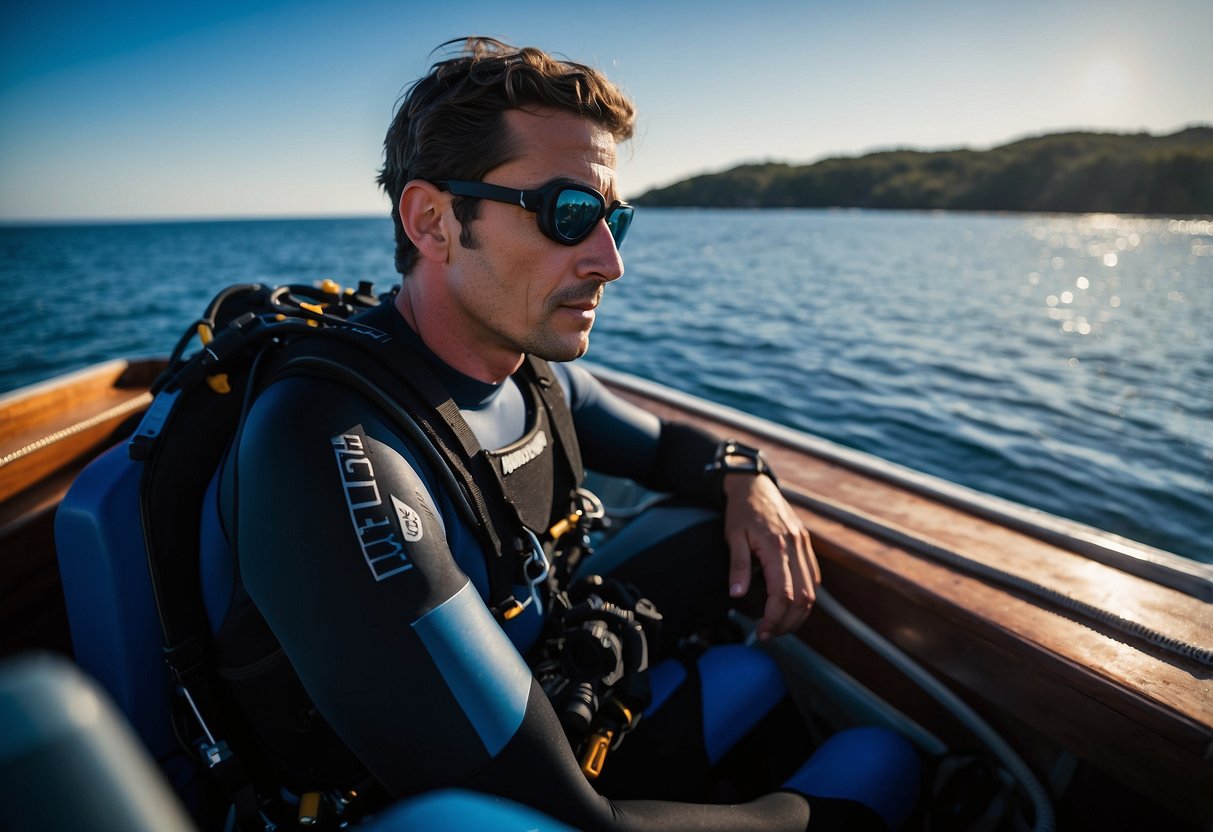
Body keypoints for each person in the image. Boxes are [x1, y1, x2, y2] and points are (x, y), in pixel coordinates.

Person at [204, 37, 918, 831]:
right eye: (569, 215)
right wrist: (819, 817)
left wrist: (748, 477)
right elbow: (557, 820)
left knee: (729, 594)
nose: (609, 261)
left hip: (548, 692)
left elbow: (670, 451)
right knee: (880, 767)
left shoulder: (529, 374)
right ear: (433, 221)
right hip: (431, 810)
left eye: (613, 217)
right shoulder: (328, 443)